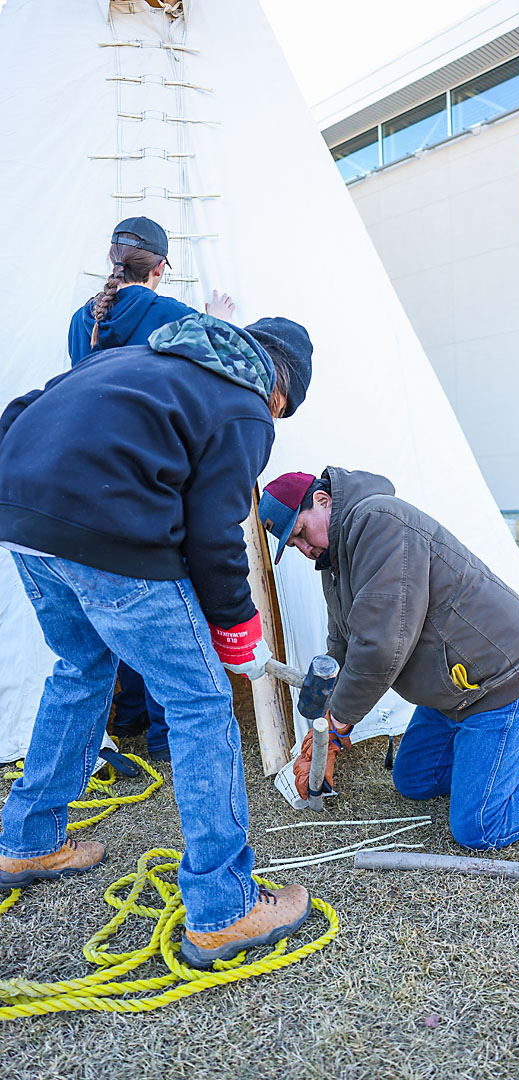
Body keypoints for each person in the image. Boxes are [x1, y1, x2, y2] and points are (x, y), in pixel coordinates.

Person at [0, 310, 313, 969]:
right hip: (111, 535)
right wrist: (236, 628)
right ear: (281, 390)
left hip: (22, 516)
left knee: (81, 668)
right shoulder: (246, 407)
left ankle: (28, 841)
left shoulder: (135, 358)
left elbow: (27, 405)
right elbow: (213, 534)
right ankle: (224, 910)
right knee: (199, 704)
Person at [258, 468, 519, 849]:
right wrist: (323, 727)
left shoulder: (377, 522)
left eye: (299, 532)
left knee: (479, 824)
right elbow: (342, 646)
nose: (302, 548)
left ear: (323, 500)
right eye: (292, 544)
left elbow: (381, 646)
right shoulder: (336, 563)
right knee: (414, 778)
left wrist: (338, 723)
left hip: (499, 678)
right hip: (454, 690)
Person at [68, 215, 234, 760]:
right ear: (160, 268)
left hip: (90, 484)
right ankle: (163, 737)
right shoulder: (172, 315)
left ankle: (130, 717)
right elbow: (209, 377)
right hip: (152, 480)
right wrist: (217, 324)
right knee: (164, 604)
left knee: (118, 603)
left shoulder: (79, 321)